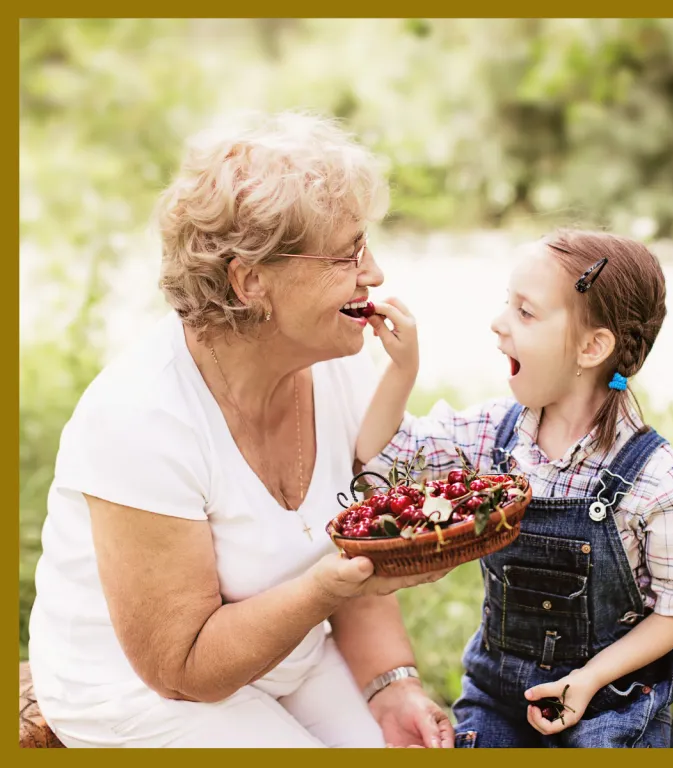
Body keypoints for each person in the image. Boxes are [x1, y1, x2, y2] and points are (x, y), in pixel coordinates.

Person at [28, 111, 455, 749]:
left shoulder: (340, 367)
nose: (375, 275)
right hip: (142, 691)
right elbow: (183, 668)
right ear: (251, 280)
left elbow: (361, 559)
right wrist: (333, 580)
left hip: (288, 658)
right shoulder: (140, 417)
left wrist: (393, 687)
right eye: (348, 253)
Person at [358, 229, 673, 748]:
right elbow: (380, 458)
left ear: (593, 347)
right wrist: (402, 368)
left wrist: (589, 679)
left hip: (610, 698)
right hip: (499, 692)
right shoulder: (493, 437)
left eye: (525, 312)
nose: (498, 322)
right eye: (508, 304)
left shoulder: (656, 480)